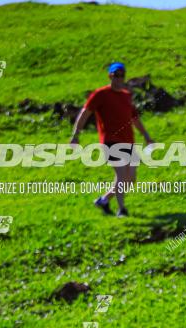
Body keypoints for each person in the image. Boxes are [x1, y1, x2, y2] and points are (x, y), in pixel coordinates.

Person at [70, 62, 153, 217]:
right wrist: (76, 135)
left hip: (128, 141)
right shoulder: (100, 94)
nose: (119, 78)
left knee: (130, 179)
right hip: (111, 140)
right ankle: (122, 209)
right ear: (110, 76)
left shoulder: (126, 96)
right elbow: (85, 113)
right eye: (116, 75)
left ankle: (103, 200)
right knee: (121, 176)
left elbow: (134, 118)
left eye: (122, 75)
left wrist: (147, 136)